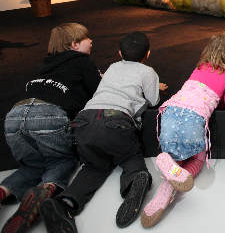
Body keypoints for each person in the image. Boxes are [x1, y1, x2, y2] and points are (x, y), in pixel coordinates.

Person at [0, 23, 101, 233]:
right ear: (75, 45)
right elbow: (98, 92)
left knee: (33, 166)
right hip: (49, 115)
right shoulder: (83, 61)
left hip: (14, 117)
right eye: (87, 38)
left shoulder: (44, 66)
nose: (91, 41)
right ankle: (43, 191)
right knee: (62, 161)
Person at [40, 31, 167, 233]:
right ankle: (135, 178)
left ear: (119, 53)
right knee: (130, 154)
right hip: (117, 120)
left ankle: (66, 202)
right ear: (148, 54)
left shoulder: (112, 68)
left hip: (83, 121)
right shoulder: (148, 71)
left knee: (93, 166)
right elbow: (153, 101)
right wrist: (155, 87)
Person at [140, 32, 225, 228]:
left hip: (168, 114)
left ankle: (165, 167)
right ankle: (170, 184)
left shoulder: (199, 66)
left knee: (176, 152)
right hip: (193, 122)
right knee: (196, 158)